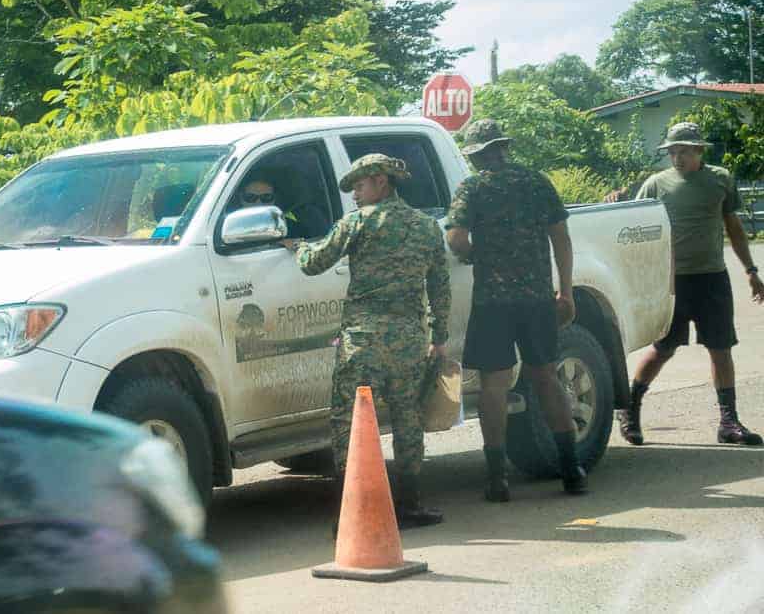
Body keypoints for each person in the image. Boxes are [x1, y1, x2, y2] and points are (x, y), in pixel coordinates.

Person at [280, 153, 451, 531]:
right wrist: (439, 338)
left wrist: (298, 248)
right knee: (408, 420)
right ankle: (409, 505)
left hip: (363, 341)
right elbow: (439, 286)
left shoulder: (358, 223)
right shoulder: (426, 227)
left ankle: (355, 509)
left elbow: (314, 263)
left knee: (351, 422)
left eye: (359, 186)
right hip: (409, 338)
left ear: (380, 181)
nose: (354, 195)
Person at [445, 119, 587, 502]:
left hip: (493, 302)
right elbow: (562, 238)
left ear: (476, 154)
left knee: (495, 383)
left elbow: (456, 239)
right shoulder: (537, 181)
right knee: (546, 378)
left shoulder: (472, 187)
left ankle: (496, 479)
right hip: (537, 298)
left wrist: (477, 255)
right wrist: (566, 291)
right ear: (504, 147)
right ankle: (572, 470)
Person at [618, 122, 764, 447]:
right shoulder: (656, 184)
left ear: (699, 150)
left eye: (683, 150)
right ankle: (629, 407)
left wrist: (751, 270)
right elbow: (633, 222)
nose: (677, 157)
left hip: (712, 277)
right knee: (663, 349)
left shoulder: (720, 180)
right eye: (672, 151)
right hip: (672, 281)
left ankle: (729, 421)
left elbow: (734, 227)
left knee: (721, 349)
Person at [232, 176, 328, 239]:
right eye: (250, 197)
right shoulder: (230, 224)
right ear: (241, 198)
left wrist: (281, 244)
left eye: (266, 197)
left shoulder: (288, 225)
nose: (258, 202)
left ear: (274, 200)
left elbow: (303, 242)